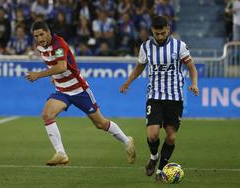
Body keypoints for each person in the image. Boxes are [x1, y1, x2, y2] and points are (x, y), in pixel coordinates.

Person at [24, 21, 135, 166]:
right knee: (46, 115)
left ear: (48, 32)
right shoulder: (40, 46)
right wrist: (54, 76)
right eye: (36, 36)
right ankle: (61, 154)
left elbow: (62, 66)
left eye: (42, 34)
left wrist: (39, 75)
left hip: (79, 90)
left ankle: (127, 141)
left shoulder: (59, 44)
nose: (39, 39)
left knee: (100, 123)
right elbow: (55, 64)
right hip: (62, 91)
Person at [120, 16, 199, 181]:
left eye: (163, 33)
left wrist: (194, 83)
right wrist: (128, 82)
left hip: (175, 97)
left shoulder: (179, 46)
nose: (160, 36)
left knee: (171, 136)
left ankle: (161, 170)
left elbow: (191, 67)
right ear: (152, 31)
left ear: (168, 30)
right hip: (154, 96)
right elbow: (139, 67)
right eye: (157, 33)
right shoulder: (146, 47)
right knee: (153, 135)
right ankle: (154, 157)